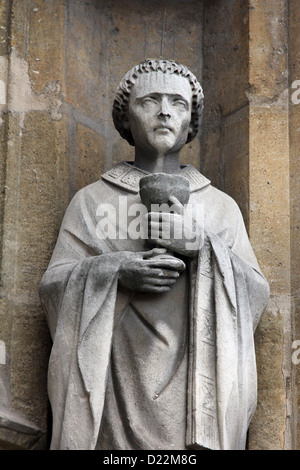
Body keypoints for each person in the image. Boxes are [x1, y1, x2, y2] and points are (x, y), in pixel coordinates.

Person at [39, 59, 270, 450]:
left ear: (191, 123)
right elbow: (53, 286)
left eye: (178, 104)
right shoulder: (92, 202)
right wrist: (115, 270)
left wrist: (200, 245)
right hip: (114, 381)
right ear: (126, 120)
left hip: (195, 386)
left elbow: (255, 294)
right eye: (150, 100)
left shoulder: (218, 207)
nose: (165, 111)